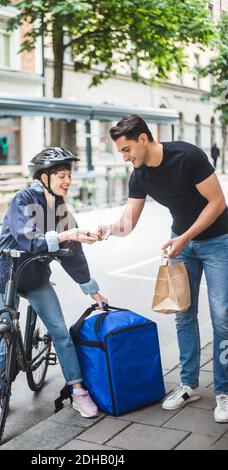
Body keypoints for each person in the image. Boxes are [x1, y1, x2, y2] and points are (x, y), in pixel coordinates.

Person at [97, 114, 228, 423]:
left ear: (144, 139)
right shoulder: (139, 176)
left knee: (222, 317)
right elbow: (128, 223)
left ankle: (223, 391)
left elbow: (218, 203)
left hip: (218, 241)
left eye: (127, 149)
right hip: (181, 243)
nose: (126, 157)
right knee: (184, 314)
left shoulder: (188, 156)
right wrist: (105, 229)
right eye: (121, 153)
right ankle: (189, 385)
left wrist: (184, 237)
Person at [0, 147, 107, 420]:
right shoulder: (24, 199)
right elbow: (27, 238)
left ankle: (78, 390)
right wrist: (68, 234)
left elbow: (73, 255)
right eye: (61, 175)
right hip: (6, 276)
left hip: (36, 278)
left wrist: (92, 290)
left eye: (69, 175)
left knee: (61, 333)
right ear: (44, 178)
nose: (67, 181)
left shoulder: (62, 210)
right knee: (2, 336)